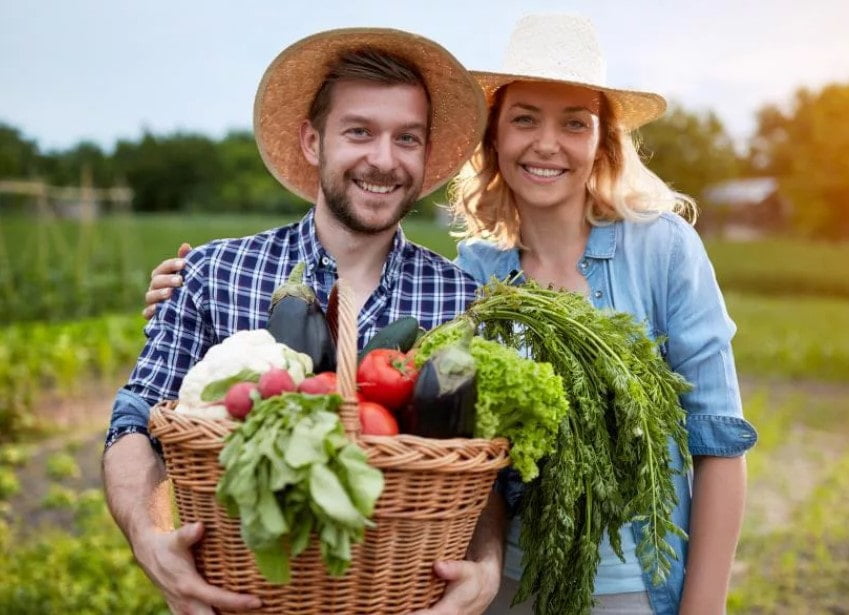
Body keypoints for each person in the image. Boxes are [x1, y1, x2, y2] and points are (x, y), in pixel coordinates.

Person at [146, 15, 758, 615]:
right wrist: (184, 287)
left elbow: (718, 436)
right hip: (500, 584)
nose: (548, 144)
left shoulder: (661, 249)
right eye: (524, 119)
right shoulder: (474, 277)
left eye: (576, 123)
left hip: (635, 588)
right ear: (494, 138)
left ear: (602, 142)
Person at [105, 27, 507, 615]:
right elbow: (133, 420)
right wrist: (147, 538)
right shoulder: (214, 272)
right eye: (359, 132)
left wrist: (488, 567)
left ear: (424, 155)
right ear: (313, 141)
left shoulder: (464, 301)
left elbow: (485, 469)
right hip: (243, 596)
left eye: (407, 138)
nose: (383, 159)